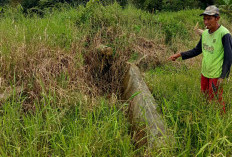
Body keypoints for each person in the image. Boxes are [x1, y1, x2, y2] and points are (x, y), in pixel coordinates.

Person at [168, 5, 232, 113]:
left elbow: (229, 57)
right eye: (204, 19)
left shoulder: (224, 34)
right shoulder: (205, 34)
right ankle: (207, 114)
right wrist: (179, 54)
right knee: (205, 97)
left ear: (217, 18)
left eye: (209, 18)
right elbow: (197, 50)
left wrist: (222, 76)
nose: (206, 22)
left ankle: (219, 119)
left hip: (216, 75)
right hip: (205, 72)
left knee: (216, 100)